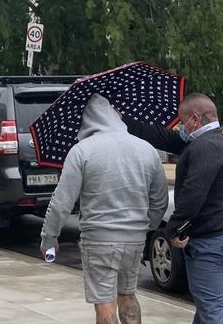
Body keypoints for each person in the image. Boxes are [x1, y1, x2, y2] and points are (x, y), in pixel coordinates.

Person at [40, 94, 169, 324]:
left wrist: (49, 237)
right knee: (128, 294)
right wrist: (145, 226)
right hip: (135, 239)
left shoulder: (81, 151)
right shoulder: (147, 149)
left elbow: (61, 202)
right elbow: (159, 200)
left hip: (99, 239)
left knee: (104, 302)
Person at [124, 93, 223, 324]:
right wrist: (124, 120)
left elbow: (192, 197)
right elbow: (165, 137)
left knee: (211, 312)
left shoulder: (206, 147)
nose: (180, 127)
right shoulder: (210, 141)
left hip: (210, 243)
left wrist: (173, 231)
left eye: (182, 122)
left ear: (195, 119)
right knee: (206, 307)